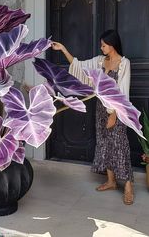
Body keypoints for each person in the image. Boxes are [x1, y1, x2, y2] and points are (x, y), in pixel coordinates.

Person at [51, 30, 134, 205]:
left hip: (117, 111)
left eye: (104, 45)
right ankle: (111, 181)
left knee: (120, 145)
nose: (101, 47)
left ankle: (128, 187)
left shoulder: (124, 63)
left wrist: (115, 114)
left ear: (112, 45)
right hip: (100, 109)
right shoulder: (99, 61)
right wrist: (64, 50)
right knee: (104, 143)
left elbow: (123, 92)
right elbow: (79, 66)